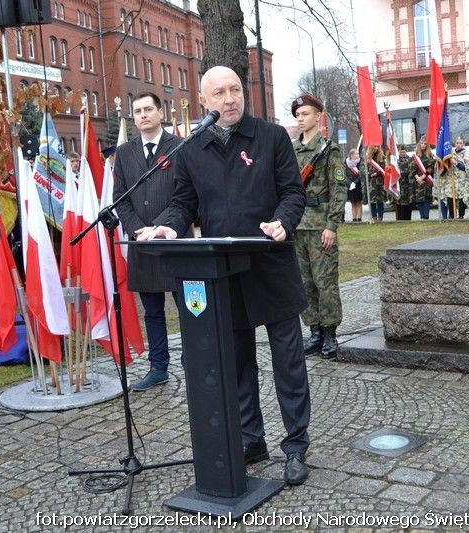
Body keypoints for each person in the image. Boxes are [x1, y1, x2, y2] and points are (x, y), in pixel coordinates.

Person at [143, 66, 311, 486]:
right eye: (219, 93)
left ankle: (296, 445)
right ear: (204, 101)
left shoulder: (271, 137)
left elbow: (293, 192)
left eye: (235, 89)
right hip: (222, 272)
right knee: (236, 363)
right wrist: (169, 225)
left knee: (288, 362)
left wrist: (283, 223)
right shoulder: (191, 148)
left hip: (271, 266)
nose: (230, 98)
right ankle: (251, 438)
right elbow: (183, 203)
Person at [112, 91, 185, 392]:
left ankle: (193, 360)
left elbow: (185, 193)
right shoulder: (126, 153)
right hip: (141, 242)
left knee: (187, 307)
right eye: (137, 111)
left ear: (160, 111)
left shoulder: (179, 146)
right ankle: (158, 367)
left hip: (174, 240)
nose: (142, 115)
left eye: (148, 109)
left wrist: (160, 226)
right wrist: (137, 229)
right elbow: (120, 197)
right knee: (152, 310)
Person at [292, 94, 346, 360]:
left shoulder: (329, 149)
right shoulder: (291, 150)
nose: (301, 119)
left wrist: (332, 225)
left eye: (305, 114)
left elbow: (338, 189)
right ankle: (313, 331)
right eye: (298, 115)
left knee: (325, 282)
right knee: (304, 282)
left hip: (321, 224)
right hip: (297, 226)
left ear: (318, 116)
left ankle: (329, 333)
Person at [411, 136, 434, 219]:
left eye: (425, 144)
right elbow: (412, 168)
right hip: (418, 182)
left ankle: (426, 217)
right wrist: (417, 177)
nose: (423, 145)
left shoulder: (430, 155)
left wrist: (423, 177)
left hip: (426, 181)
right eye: (422, 143)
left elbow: (431, 167)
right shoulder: (416, 156)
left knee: (426, 200)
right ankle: (422, 217)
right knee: (419, 200)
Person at [364, 146, 386, 222]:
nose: (376, 148)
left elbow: (384, 168)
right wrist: (369, 174)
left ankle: (380, 217)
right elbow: (364, 169)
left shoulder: (382, 157)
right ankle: (374, 217)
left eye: (377, 147)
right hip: (371, 182)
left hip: (380, 182)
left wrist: (377, 173)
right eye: (374, 146)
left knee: (380, 200)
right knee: (372, 201)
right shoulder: (367, 157)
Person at [393, 147, 414, 220]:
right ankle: (400, 219)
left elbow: (412, 170)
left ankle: (408, 218)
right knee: (399, 202)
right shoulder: (396, 161)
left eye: (403, 152)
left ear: (406, 152)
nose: (402, 153)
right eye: (401, 152)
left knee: (408, 202)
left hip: (408, 185)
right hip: (399, 185)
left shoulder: (410, 160)